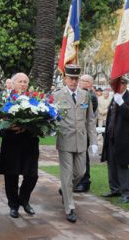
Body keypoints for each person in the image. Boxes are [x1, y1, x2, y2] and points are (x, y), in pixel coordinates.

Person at [53, 65, 97, 223]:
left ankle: (65, 190)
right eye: (70, 78)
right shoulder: (57, 95)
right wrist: (52, 128)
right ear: (65, 79)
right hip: (65, 140)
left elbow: (90, 119)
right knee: (67, 173)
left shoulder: (85, 95)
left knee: (80, 172)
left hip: (81, 141)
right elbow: (51, 115)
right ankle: (69, 207)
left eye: (76, 79)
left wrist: (93, 142)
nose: (73, 81)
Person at [0, 73, 39, 219]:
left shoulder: (35, 100)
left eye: (25, 82)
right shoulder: (4, 100)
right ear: (13, 83)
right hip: (11, 144)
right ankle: (13, 205)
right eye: (20, 81)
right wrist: (9, 127)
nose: (23, 84)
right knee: (11, 176)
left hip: (29, 144)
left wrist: (27, 127)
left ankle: (24, 199)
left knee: (32, 175)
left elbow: (42, 123)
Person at [101, 77, 129, 204]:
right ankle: (115, 188)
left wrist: (122, 104)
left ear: (124, 85)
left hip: (123, 137)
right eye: (114, 84)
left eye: (118, 84)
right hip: (111, 136)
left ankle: (127, 193)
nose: (115, 86)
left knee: (122, 165)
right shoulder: (115, 97)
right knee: (111, 163)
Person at [74, 74, 98, 193]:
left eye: (83, 81)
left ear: (89, 83)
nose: (79, 82)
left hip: (84, 132)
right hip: (76, 132)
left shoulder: (90, 96)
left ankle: (85, 182)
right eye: (80, 80)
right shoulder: (80, 94)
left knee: (83, 158)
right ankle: (77, 180)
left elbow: (88, 116)